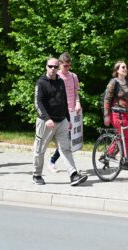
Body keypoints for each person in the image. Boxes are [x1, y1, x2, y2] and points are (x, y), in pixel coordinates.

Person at [32, 57, 87, 186]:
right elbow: (38, 103)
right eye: (50, 66)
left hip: (61, 121)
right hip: (46, 122)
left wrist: (68, 119)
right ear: (46, 67)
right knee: (40, 149)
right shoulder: (41, 83)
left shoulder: (60, 82)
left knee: (66, 148)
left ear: (58, 68)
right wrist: (46, 119)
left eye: (55, 67)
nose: (53, 69)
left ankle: (73, 175)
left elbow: (64, 101)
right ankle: (36, 174)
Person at [103, 61, 128, 176]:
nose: (125, 69)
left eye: (126, 67)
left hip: (127, 113)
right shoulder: (113, 82)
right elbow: (107, 99)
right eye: (123, 67)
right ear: (117, 70)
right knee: (124, 136)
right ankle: (125, 160)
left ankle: (109, 154)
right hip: (116, 113)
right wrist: (106, 116)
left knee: (126, 136)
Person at [48, 52, 82, 173]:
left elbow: (76, 93)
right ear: (60, 64)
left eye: (69, 65)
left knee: (68, 141)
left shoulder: (73, 76)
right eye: (65, 66)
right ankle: (52, 161)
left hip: (72, 112)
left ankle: (55, 161)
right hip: (61, 113)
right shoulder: (56, 77)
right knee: (65, 141)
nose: (67, 68)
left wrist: (78, 103)